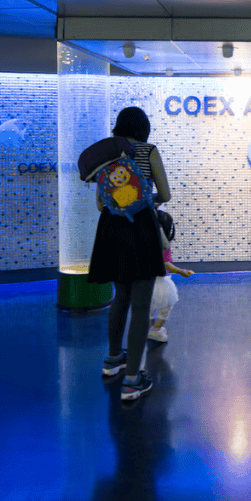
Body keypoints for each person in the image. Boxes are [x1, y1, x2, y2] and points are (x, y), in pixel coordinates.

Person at [89, 106, 171, 401]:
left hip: (112, 230)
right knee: (140, 305)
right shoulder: (148, 151)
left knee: (119, 297)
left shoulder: (107, 153)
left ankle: (113, 360)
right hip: (141, 229)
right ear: (143, 128)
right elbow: (166, 193)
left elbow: (101, 203)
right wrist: (149, 199)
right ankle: (133, 380)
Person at [147, 208, 194, 344]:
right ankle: (155, 330)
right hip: (160, 282)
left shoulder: (144, 241)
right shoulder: (164, 245)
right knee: (165, 307)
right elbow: (166, 263)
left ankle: (150, 328)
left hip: (144, 281)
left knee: (149, 307)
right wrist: (181, 271)